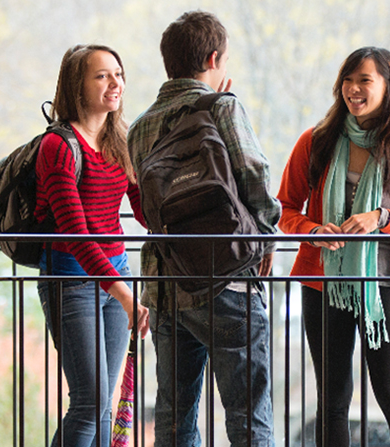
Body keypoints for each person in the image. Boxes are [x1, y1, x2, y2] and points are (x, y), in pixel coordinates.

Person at [125, 11, 280, 447]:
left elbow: (150, 206)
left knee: (174, 418)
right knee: (248, 414)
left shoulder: (139, 127)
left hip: (166, 283)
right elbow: (252, 170)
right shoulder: (223, 107)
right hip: (225, 279)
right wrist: (266, 236)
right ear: (214, 58)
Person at [277, 46, 390, 447]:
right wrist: (314, 231)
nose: (353, 89)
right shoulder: (315, 142)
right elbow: (283, 211)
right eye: (348, 81)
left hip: (383, 289)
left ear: (388, 86)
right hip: (322, 285)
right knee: (332, 400)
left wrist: (382, 220)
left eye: (364, 80)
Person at [34, 44, 151, 447]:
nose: (115, 83)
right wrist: (122, 294)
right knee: (89, 402)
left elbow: (144, 211)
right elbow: (74, 232)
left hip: (115, 275)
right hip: (72, 281)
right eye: (102, 75)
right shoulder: (58, 147)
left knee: (102, 405)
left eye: (118, 74)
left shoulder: (121, 140)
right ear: (77, 86)